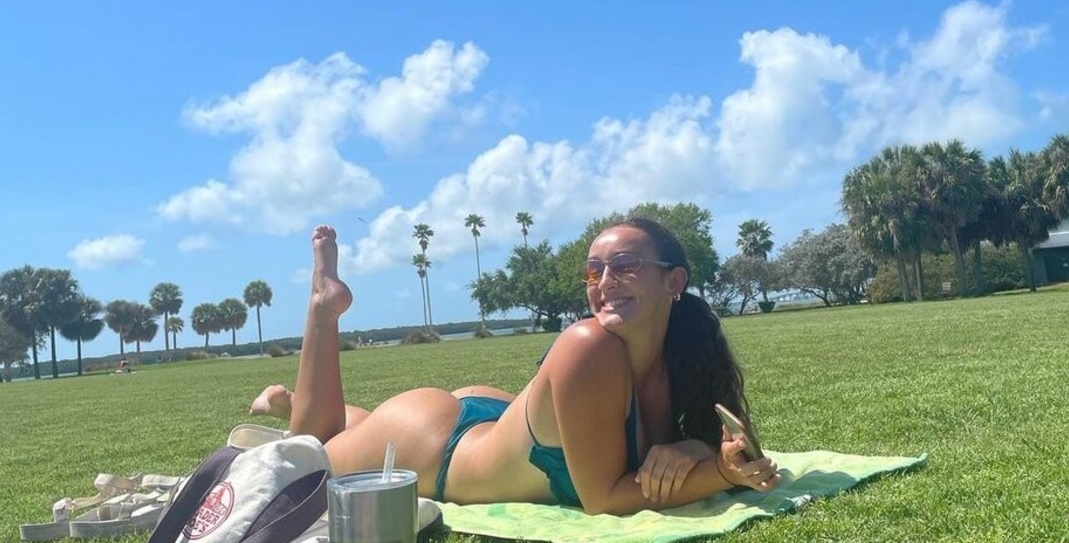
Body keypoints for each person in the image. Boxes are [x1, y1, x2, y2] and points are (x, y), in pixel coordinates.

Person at [253, 219, 780, 515]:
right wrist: (715, 473)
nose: (604, 282)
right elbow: (603, 499)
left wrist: (695, 448)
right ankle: (322, 306)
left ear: (674, 281)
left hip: (493, 420)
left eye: (625, 266)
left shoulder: (680, 353)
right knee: (307, 450)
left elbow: (729, 439)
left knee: (342, 431)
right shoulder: (587, 345)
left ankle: (288, 401)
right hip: (437, 449)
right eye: (594, 270)